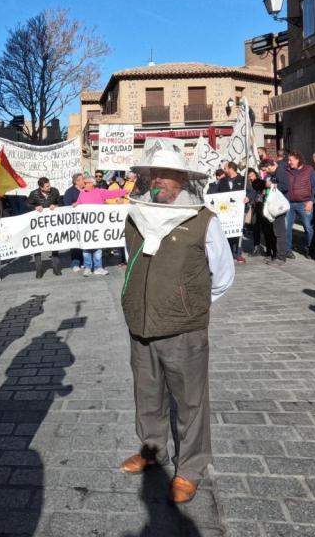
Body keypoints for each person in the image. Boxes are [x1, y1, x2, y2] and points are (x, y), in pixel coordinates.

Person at [120, 145, 234, 504]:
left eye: (165, 175)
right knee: (147, 395)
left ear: (182, 179)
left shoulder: (203, 220)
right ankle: (153, 451)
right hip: (141, 325)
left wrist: (188, 305)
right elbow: (131, 264)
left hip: (184, 330)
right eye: (152, 175)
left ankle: (191, 469)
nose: (157, 182)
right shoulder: (135, 216)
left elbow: (224, 275)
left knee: (190, 402)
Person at [73, 175, 129, 276]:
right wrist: (75, 204)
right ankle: (88, 267)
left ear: (91, 183)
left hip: (98, 225)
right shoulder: (81, 194)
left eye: (85, 183)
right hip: (86, 226)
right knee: (86, 248)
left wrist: (125, 191)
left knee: (97, 248)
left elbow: (112, 193)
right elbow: (78, 203)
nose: (83, 185)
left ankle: (98, 267)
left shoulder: (99, 192)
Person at [284, 151, 315, 258]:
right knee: (286, 227)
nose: (289, 162)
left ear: (298, 159)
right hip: (289, 203)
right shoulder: (287, 170)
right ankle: (287, 249)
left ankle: (309, 249)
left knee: (308, 228)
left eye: (291, 160)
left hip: (304, 203)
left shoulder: (309, 170)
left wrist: (311, 201)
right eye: (288, 160)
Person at [27, 177, 63, 278]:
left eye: (49, 185)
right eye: (47, 186)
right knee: (38, 246)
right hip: (39, 225)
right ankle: (39, 270)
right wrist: (35, 207)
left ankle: (56, 268)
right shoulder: (34, 194)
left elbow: (61, 202)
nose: (49, 187)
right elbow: (27, 204)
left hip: (52, 223)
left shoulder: (55, 191)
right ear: (41, 187)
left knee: (54, 245)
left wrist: (56, 206)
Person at [258, 158, 288, 264]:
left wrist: (271, 185)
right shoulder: (274, 173)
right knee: (273, 232)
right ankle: (275, 254)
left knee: (279, 233)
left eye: (265, 169)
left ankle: (281, 257)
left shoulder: (280, 172)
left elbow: (285, 187)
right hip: (272, 206)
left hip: (279, 207)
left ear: (270, 166)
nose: (265, 172)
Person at [222, 162, 249, 264]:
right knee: (227, 232)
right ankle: (229, 253)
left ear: (230, 169)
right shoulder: (223, 181)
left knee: (238, 232)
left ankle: (238, 254)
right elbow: (215, 192)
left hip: (239, 211)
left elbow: (251, 192)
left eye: (225, 168)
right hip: (226, 211)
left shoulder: (243, 180)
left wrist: (248, 198)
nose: (224, 170)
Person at [63, 173, 85, 272]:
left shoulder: (86, 190)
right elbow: (66, 206)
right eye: (82, 179)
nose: (84, 180)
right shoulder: (70, 192)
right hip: (75, 222)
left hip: (86, 221)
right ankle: (75, 263)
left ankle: (84, 262)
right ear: (76, 181)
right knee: (76, 243)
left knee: (85, 241)